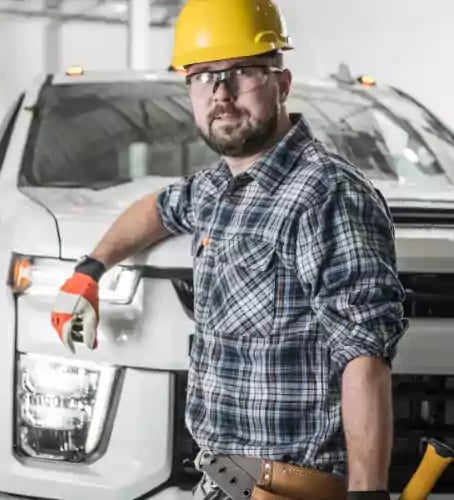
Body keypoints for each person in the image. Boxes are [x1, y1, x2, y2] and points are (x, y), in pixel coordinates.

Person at [49, 0, 409, 499]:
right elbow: (155, 209)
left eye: (242, 72)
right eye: (203, 76)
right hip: (223, 480)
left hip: (292, 488)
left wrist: (368, 493)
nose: (221, 92)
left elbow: (363, 354)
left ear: (281, 84)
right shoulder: (218, 188)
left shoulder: (325, 193)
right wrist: (89, 270)